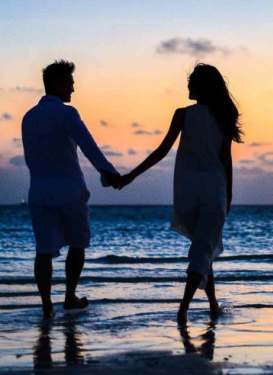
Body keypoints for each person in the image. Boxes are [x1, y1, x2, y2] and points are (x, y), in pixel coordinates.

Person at [119, 63, 242, 323]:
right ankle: (183, 309)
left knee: (203, 248)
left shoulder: (183, 114)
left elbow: (162, 151)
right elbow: (225, 160)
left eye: (191, 82)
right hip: (214, 190)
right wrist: (228, 195)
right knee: (202, 250)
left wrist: (131, 176)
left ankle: (212, 305)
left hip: (186, 192)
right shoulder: (223, 115)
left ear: (201, 86)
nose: (187, 86)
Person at [22, 59, 122, 319]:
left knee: (43, 250)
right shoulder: (68, 113)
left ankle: (47, 305)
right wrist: (108, 172)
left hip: (39, 190)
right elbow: (88, 145)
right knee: (77, 244)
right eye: (70, 83)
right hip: (69, 189)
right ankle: (69, 297)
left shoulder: (28, 117)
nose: (73, 90)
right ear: (57, 84)